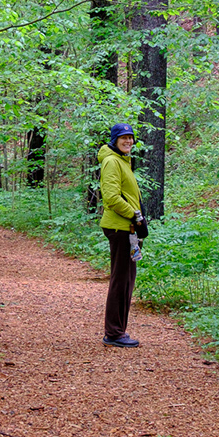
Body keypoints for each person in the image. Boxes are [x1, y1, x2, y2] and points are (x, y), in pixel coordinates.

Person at [97, 123, 149, 347]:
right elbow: (111, 197)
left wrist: (139, 221)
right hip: (120, 228)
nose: (128, 141)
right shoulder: (111, 162)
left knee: (127, 279)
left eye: (130, 138)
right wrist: (135, 216)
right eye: (123, 138)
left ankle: (118, 330)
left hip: (128, 228)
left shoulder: (123, 161)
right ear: (114, 140)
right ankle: (114, 333)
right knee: (121, 279)